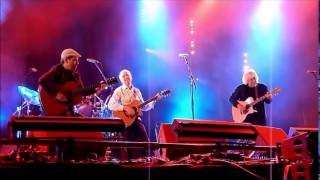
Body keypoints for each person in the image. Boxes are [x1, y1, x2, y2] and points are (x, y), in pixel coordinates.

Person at [38, 48, 106, 116]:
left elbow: (82, 91)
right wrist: (56, 94)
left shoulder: (76, 76)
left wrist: (96, 88)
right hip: (55, 110)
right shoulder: (57, 70)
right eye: (74, 60)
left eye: (77, 61)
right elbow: (42, 80)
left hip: (68, 110)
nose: (77, 63)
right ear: (66, 60)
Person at [107, 69, 157, 160]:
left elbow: (143, 107)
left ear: (131, 77)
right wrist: (124, 108)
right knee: (127, 144)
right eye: (123, 76)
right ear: (121, 79)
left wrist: (153, 101)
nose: (126, 77)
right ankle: (127, 162)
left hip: (136, 120)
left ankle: (150, 160)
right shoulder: (119, 90)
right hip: (124, 122)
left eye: (127, 75)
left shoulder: (136, 91)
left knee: (145, 140)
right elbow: (110, 105)